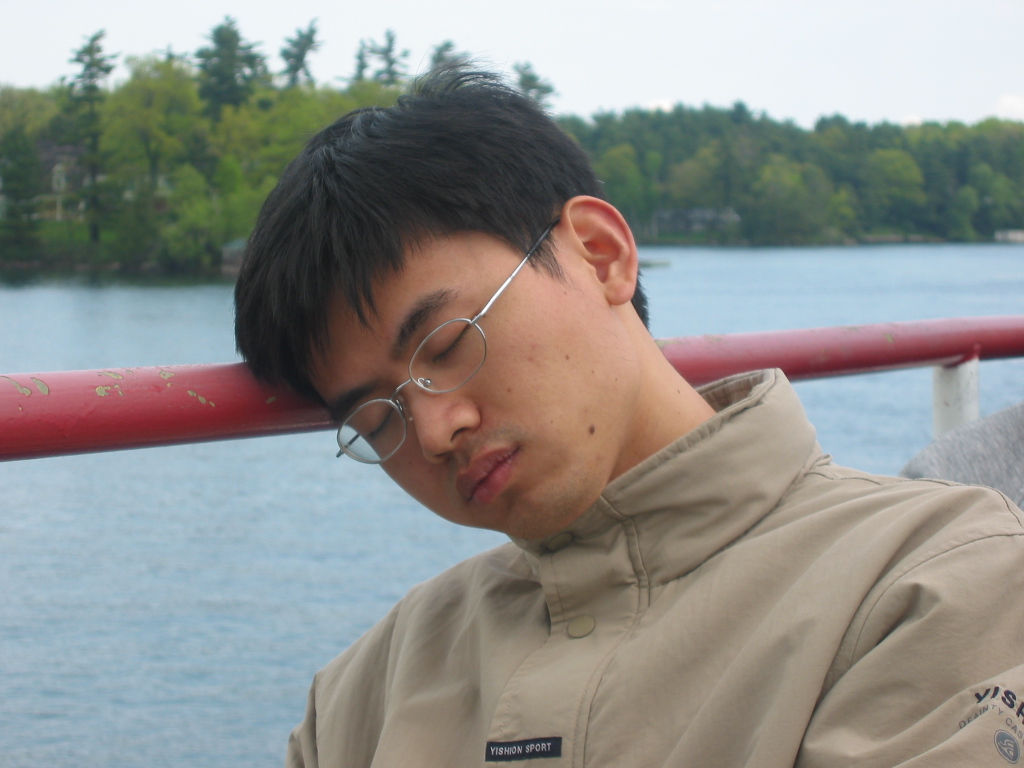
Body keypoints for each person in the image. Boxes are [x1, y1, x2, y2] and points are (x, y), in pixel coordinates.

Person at [234, 67, 1024, 767]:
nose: (435, 432)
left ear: (600, 253)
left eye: (447, 343)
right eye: (379, 423)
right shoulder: (363, 695)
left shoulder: (934, 583)